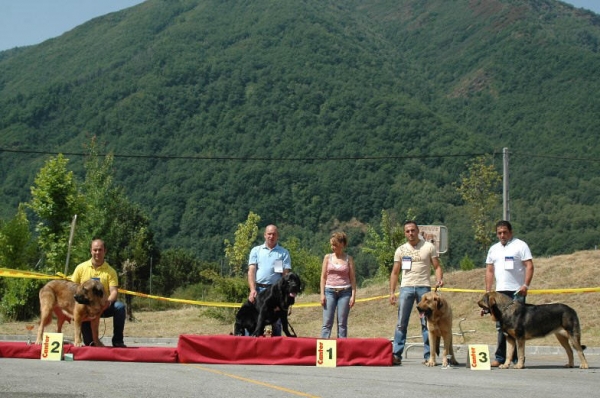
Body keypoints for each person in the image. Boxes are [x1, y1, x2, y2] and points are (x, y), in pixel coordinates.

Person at [390, 221, 443, 365]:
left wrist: (439, 279)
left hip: (424, 288)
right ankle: (396, 355)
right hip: (406, 287)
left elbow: (437, 267)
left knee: (426, 323)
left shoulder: (428, 247)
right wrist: (392, 292)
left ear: (418, 231)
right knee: (401, 323)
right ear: (404, 233)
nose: (410, 233)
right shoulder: (400, 250)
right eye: (407, 231)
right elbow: (395, 272)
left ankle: (428, 356)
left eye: (413, 230)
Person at [485, 220, 534, 367]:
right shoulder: (493, 249)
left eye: (505, 232)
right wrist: (488, 291)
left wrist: (525, 285)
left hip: (516, 292)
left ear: (510, 232)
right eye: (499, 233)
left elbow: (529, 266)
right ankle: (500, 357)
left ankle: (517, 359)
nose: (502, 235)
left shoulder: (520, 245)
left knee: (517, 327)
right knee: (501, 326)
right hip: (500, 292)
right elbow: (489, 270)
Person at [71, 238, 127, 347]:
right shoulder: (80, 268)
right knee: (90, 343)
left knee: (120, 307)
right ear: (91, 251)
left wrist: (108, 302)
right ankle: (82, 339)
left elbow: (114, 291)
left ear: (105, 251)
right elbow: (72, 288)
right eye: (95, 250)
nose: (97, 252)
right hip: (86, 309)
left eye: (100, 250)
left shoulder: (111, 271)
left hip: (103, 307)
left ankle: (118, 341)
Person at [247, 224, 292, 336]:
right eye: (269, 234)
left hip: (275, 292)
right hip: (259, 290)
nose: (271, 236)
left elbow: (285, 276)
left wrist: (285, 298)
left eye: (274, 234)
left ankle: (276, 349)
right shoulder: (256, 251)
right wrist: (252, 290)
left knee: (276, 322)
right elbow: (251, 271)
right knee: (255, 319)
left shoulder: (283, 253)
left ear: (278, 236)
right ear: (264, 235)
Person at [320, 232, 357, 338]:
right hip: (329, 291)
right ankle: (324, 349)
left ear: (342, 244)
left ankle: (341, 349)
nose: (333, 247)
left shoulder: (348, 259)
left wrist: (353, 295)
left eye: (335, 245)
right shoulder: (327, 258)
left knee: (342, 324)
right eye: (332, 245)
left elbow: (353, 278)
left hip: (345, 292)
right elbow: (323, 277)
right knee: (327, 323)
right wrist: (322, 294)